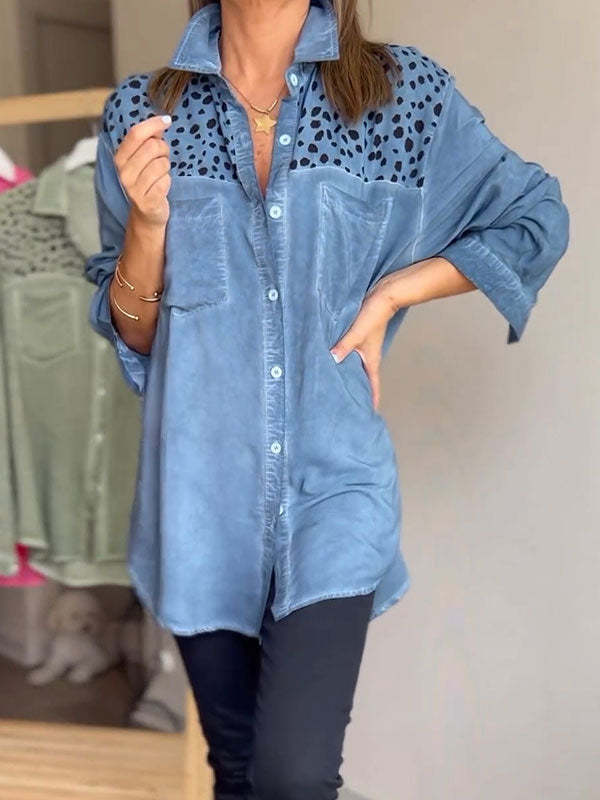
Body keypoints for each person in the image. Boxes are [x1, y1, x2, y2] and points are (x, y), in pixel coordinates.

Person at [84, 0, 570, 797]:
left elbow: (533, 215)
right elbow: (136, 337)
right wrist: (145, 226)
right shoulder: (142, 111)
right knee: (237, 770)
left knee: (293, 777)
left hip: (335, 492)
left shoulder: (400, 97)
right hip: (199, 501)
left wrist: (395, 292)